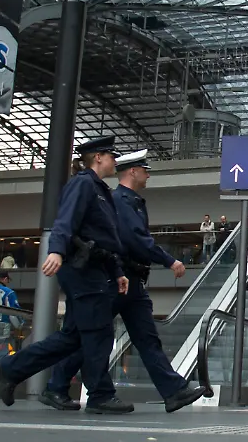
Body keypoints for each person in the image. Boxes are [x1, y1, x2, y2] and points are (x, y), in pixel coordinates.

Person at [41, 150, 205, 413]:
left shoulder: (131, 201)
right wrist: (169, 261)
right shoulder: (120, 201)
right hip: (114, 279)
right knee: (87, 336)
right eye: (145, 170)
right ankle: (55, 385)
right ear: (133, 172)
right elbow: (135, 239)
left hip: (129, 281)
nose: (148, 175)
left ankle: (174, 391)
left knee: (145, 337)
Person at [0, 136, 134, 414]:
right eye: (111, 155)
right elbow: (65, 220)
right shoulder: (83, 184)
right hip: (83, 270)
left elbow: (107, 238)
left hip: (96, 267)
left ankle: (11, 368)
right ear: (98, 157)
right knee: (99, 333)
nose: (115, 161)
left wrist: (116, 271)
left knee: (73, 337)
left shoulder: (100, 189)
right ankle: (100, 395)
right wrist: (55, 251)